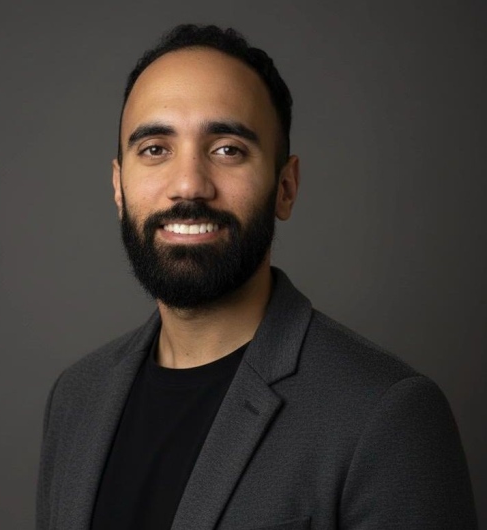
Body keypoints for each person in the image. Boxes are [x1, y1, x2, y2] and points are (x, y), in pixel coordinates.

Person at [36, 24, 477, 530]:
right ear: (119, 187)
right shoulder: (76, 398)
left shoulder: (387, 415)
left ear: (285, 187)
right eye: (155, 149)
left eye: (228, 149)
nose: (189, 185)